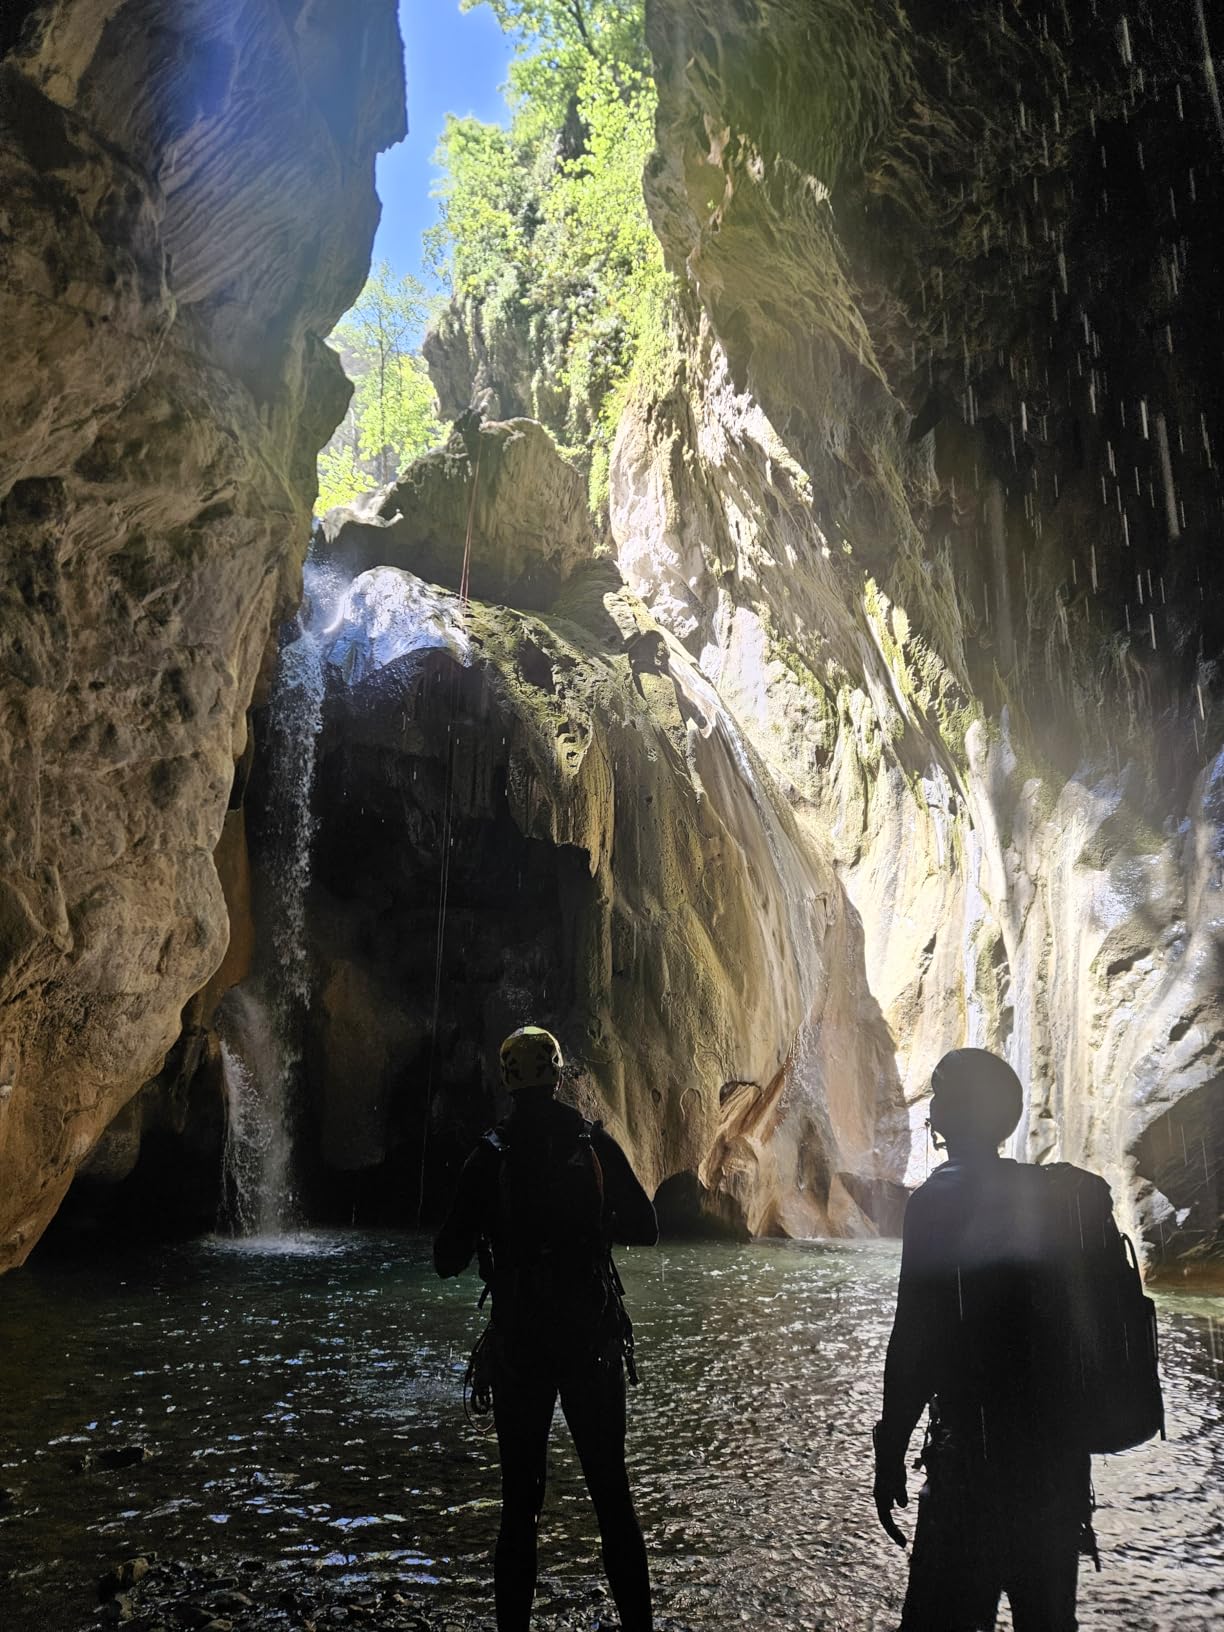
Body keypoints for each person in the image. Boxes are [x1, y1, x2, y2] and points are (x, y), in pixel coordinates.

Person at [872, 1047, 1118, 1632]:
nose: (933, 1108)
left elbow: (914, 1342)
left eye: (941, 1096)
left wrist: (891, 1451)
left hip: (970, 1471)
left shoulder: (935, 1201)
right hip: (1055, 1469)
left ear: (953, 1115)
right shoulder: (1056, 1199)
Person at [434, 1025, 658, 1632]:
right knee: (612, 1494)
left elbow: (445, 1259)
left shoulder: (490, 1154)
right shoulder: (590, 1142)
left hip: (521, 1345)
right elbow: (648, 1226)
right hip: (591, 1338)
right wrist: (592, 1224)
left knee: (519, 1506)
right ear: (559, 1075)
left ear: (506, 1080)